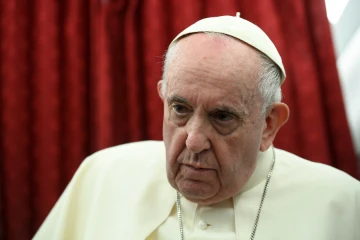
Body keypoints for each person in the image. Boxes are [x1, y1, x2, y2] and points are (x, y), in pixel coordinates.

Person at [34, 13, 360, 240]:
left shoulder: (343, 204)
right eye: (180, 108)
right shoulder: (103, 173)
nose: (193, 141)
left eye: (221, 117)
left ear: (268, 124)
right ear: (162, 97)